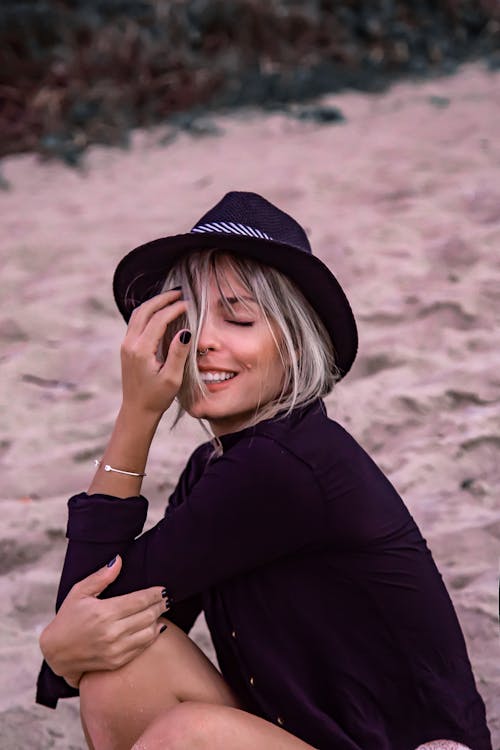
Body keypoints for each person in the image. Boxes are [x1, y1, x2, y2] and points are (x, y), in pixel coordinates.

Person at [36, 192, 491, 750]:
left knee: (189, 734)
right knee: (125, 664)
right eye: (188, 321)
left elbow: (83, 621)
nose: (204, 341)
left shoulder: (285, 466)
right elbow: (105, 620)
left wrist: (137, 415)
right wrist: (68, 647)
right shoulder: (216, 467)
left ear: (296, 345)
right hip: (305, 735)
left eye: (239, 318)